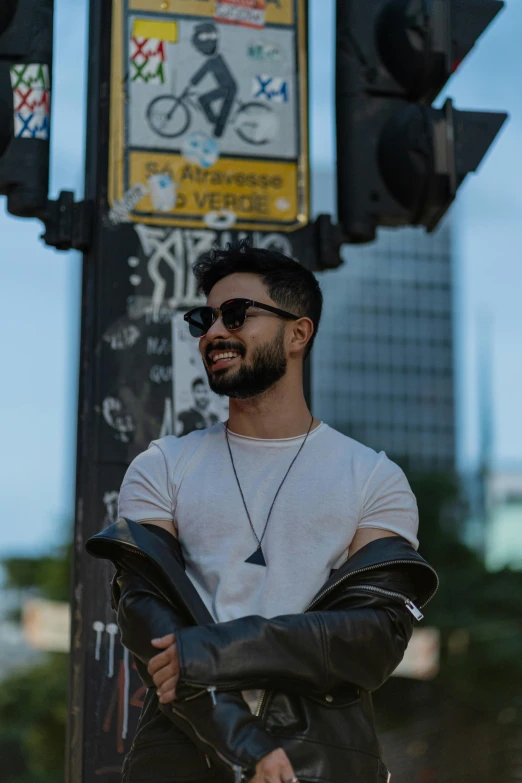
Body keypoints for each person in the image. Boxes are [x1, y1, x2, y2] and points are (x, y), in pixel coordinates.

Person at [86, 242, 438, 783]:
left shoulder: (374, 479)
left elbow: (371, 639)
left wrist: (210, 650)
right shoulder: (163, 466)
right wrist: (244, 742)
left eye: (236, 315)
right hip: (182, 755)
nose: (213, 333)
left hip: (321, 761)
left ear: (298, 334)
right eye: (205, 319)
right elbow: (146, 614)